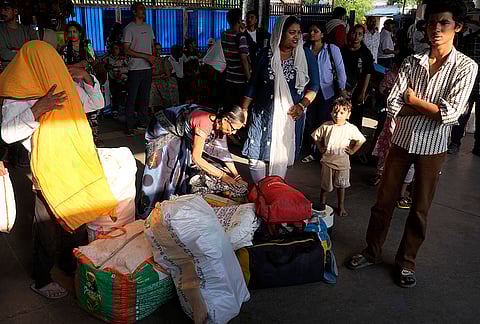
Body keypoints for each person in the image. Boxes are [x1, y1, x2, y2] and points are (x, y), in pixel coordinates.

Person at [347, 0, 478, 288]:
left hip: (433, 149)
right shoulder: (411, 62)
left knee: (419, 208)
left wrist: (415, 100)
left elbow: (451, 113)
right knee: (383, 202)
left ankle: (406, 262)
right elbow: (393, 104)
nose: (436, 29)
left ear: (457, 27)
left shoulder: (466, 67)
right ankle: (372, 251)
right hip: (402, 142)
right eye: (431, 23)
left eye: (443, 23)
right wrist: (426, 107)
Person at [0, 40, 116, 299]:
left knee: (77, 218)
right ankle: (40, 280)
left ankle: (69, 263)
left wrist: (86, 78)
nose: (51, 65)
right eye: (45, 60)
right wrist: (37, 109)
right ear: (29, 64)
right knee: (47, 227)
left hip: (75, 162)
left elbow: (96, 103)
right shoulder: (18, 92)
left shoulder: (62, 81)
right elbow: (7, 134)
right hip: (48, 169)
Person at [241, 16, 320, 183]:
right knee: (255, 156)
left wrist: (302, 105)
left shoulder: (305, 55)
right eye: (292, 32)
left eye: (299, 33)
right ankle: (261, 190)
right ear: (279, 33)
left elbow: (314, 85)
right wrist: (244, 110)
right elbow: (253, 84)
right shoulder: (265, 54)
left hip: (289, 116)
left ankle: (273, 191)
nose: (296, 37)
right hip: (262, 114)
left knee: (280, 158)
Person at [136, 104, 247, 219]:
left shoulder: (218, 123)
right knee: (163, 170)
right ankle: (148, 211)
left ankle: (168, 208)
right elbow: (197, 158)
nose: (233, 133)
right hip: (165, 127)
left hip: (180, 130)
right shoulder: (204, 122)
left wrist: (237, 176)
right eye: (234, 129)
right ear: (225, 120)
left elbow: (223, 153)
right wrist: (223, 176)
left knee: (177, 168)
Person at [312, 98, 365, 216]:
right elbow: (316, 136)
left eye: (342, 112)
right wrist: (320, 148)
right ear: (331, 112)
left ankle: (341, 206)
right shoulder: (326, 126)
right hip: (327, 162)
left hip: (343, 164)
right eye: (335, 112)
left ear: (348, 114)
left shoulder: (351, 128)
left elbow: (361, 140)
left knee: (342, 186)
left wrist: (352, 151)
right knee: (325, 186)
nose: (338, 115)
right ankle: (322, 205)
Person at [302, 22, 347, 163]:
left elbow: (340, 70)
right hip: (309, 91)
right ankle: (313, 150)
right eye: (310, 31)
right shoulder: (305, 49)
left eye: (316, 31)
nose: (312, 33)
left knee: (324, 120)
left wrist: (342, 88)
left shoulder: (331, 49)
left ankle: (325, 152)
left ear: (322, 34)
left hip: (327, 91)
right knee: (311, 120)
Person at [58, 21, 102, 146]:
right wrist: (79, 65)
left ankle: (95, 137)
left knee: (93, 109)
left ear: (80, 33)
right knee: (78, 108)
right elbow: (62, 66)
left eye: (75, 31)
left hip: (88, 79)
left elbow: (91, 61)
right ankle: (81, 138)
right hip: (73, 82)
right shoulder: (64, 49)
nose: (72, 34)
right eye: (70, 32)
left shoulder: (86, 45)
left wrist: (77, 66)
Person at [122, 1, 159, 136]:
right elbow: (126, 50)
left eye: (144, 8)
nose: (143, 11)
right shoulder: (129, 28)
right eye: (140, 9)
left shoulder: (148, 27)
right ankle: (129, 124)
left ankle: (142, 122)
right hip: (135, 68)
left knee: (144, 97)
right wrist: (145, 56)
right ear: (134, 12)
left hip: (147, 68)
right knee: (132, 97)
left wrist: (153, 59)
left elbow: (152, 46)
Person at [448, 24, 480, 156]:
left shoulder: (470, 38)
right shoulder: (470, 39)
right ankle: (455, 143)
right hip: (468, 86)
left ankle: (477, 146)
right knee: (461, 116)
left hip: (471, 86)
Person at [341, 24, 375, 131]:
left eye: (360, 34)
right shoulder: (343, 50)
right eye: (354, 33)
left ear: (363, 36)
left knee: (356, 116)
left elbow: (368, 73)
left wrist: (363, 92)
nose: (356, 36)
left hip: (358, 89)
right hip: (343, 88)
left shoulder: (366, 53)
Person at [221, 8, 251, 108]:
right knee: (239, 110)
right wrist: (249, 79)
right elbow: (244, 60)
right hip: (240, 81)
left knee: (230, 109)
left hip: (229, 78)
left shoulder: (224, 35)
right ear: (239, 20)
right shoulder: (241, 37)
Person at [0, 0, 38, 70]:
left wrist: (14, 52)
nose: (2, 12)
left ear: (15, 11)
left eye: (6, 9)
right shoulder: (1, 30)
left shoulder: (27, 29)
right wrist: (24, 52)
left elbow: (34, 49)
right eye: (1, 9)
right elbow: (3, 53)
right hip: (9, 70)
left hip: (27, 69)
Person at [149, 42, 179, 111]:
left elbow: (167, 74)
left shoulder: (164, 60)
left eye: (159, 49)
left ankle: (171, 108)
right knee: (152, 85)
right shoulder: (149, 61)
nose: (158, 51)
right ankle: (152, 110)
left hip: (164, 79)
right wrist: (159, 76)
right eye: (156, 49)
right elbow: (148, 75)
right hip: (153, 80)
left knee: (171, 82)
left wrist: (161, 76)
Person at [103, 41, 129, 120]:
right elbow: (102, 67)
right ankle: (115, 110)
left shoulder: (123, 58)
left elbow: (128, 68)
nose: (115, 50)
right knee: (115, 89)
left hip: (123, 79)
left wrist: (119, 70)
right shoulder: (107, 58)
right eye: (113, 48)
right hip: (112, 80)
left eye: (116, 48)